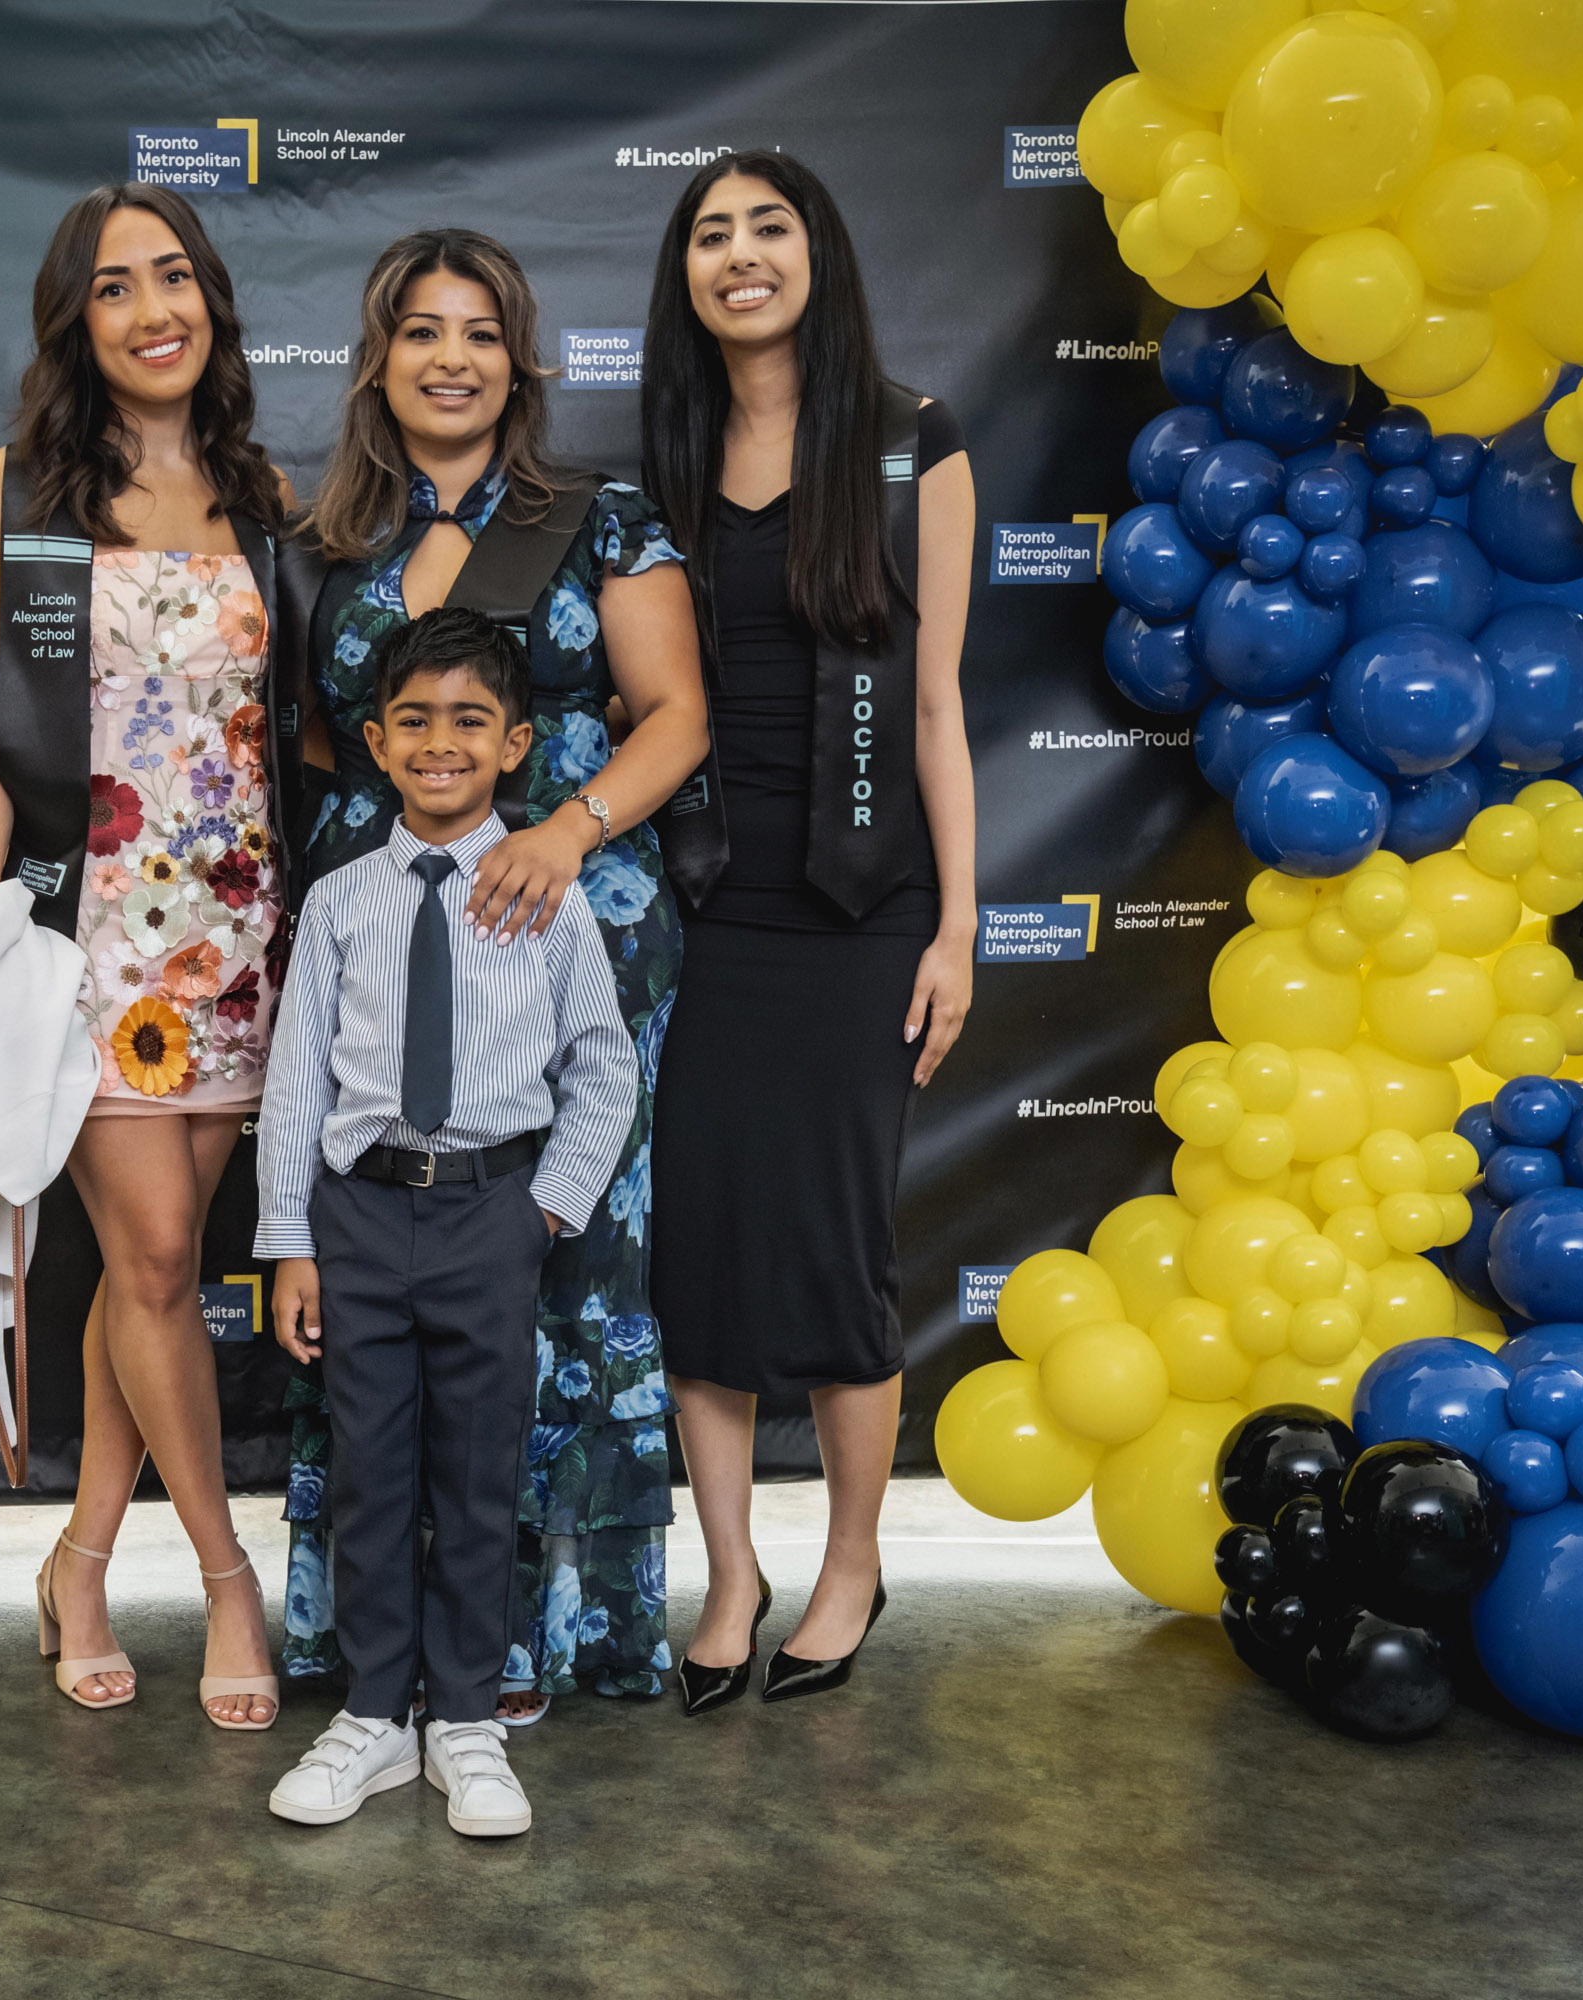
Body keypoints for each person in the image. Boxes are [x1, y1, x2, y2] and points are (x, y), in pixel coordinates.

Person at [277, 228, 709, 1721]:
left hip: (573, 917)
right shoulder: (329, 539)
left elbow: (676, 715)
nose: (449, 356)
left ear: (519, 361)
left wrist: (568, 829)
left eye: (479, 331)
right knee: (387, 1264)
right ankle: (386, 1646)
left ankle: (536, 1635)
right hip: (387, 919)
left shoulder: (600, 516)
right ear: (378, 360)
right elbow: (328, 747)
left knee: (563, 1262)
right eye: (419, 330)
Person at [0, 183, 298, 1730]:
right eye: (113, 287)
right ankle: (227, 1578)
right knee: (153, 1259)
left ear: (210, 300)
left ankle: (78, 1561)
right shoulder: (17, 493)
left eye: (175, 277)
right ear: (73, 323)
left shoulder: (269, 494)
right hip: (89, 947)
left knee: (149, 1283)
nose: (152, 308)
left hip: (244, 936)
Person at [640, 151, 979, 1710]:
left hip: (861, 910)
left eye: (767, 227)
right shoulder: (665, 456)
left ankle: (853, 1564)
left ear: (817, 255)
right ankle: (730, 1574)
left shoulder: (914, 448)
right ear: (687, 277)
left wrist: (958, 927)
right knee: (699, 1253)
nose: (739, 254)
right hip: (705, 904)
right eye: (711, 235)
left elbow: (933, 702)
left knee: (840, 1255)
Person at [258, 607, 638, 1837]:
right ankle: (374, 1712)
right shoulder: (340, 902)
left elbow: (604, 1069)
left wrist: (544, 1211)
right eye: (413, 719)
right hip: (360, 1215)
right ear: (374, 741)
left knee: (479, 1475)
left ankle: (465, 1717)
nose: (439, 742)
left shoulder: (548, 895)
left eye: (469, 720)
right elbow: (297, 1081)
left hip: (491, 1214)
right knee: (370, 1471)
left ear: (516, 744)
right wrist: (291, 1243)